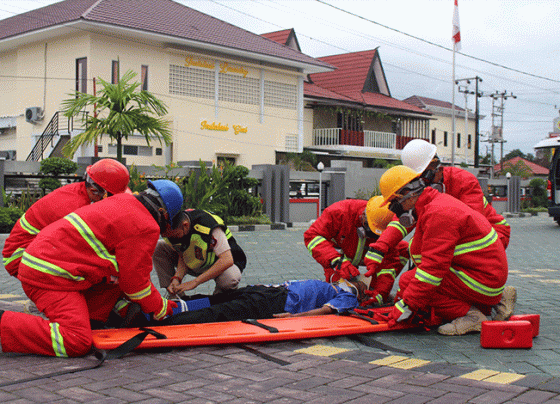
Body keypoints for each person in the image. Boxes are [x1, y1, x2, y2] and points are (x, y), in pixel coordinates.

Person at [0, 179, 184, 357]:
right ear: (164, 214)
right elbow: (135, 283)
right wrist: (159, 307)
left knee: (116, 274)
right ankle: (3, 323)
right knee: (76, 340)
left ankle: (93, 321)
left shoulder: (122, 200)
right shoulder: (146, 225)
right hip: (50, 275)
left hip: (44, 264)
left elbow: (126, 270)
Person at [379, 166, 510, 336]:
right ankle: (480, 306)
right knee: (412, 284)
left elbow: (432, 271)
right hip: (481, 275)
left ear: (407, 195)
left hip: (482, 280)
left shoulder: (438, 213)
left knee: (409, 282)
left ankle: (472, 317)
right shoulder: (434, 204)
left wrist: (405, 305)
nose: (396, 211)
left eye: (394, 205)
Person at [2, 158, 130, 277]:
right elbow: (84, 247)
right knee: (94, 267)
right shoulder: (73, 207)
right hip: (19, 257)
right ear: (94, 191)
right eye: (112, 197)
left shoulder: (81, 193)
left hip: (30, 249)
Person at [304, 196, 408, 306]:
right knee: (341, 293)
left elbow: (389, 263)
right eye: (370, 230)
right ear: (363, 216)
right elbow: (311, 236)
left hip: (364, 256)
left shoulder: (386, 221)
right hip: (337, 258)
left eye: (379, 235)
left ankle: (370, 290)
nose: (373, 236)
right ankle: (342, 288)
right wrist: (336, 261)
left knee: (403, 248)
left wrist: (381, 292)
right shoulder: (339, 212)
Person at [153, 278, 369, 326]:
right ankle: (167, 311)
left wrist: (293, 318)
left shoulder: (348, 295)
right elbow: (325, 308)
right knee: (217, 304)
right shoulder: (339, 289)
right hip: (273, 296)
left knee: (218, 305)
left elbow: (326, 310)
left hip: (275, 297)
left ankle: (166, 313)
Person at [153, 209, 247, 296]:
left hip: (220, 263)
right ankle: (176, 295)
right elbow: (182, 254)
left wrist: (195, 282)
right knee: (159, 247)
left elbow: (227, 260)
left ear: (185, 225)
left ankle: (218, 301)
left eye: (175, 236)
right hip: (196, 261)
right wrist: (177, 279)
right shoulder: (171, 232)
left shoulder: (208, 225)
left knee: (229, 280)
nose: (173, 239)